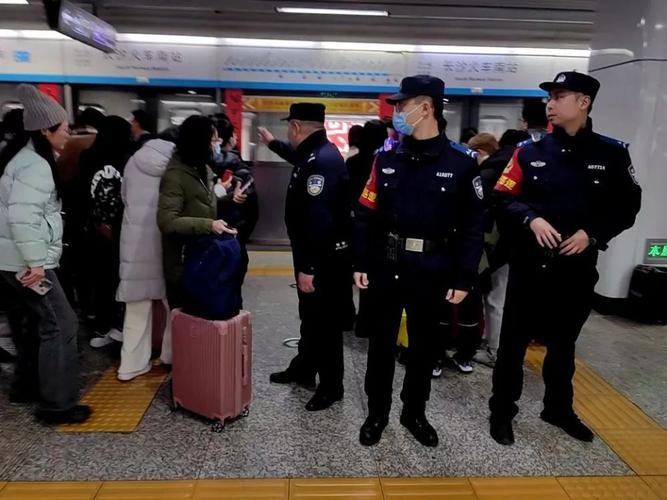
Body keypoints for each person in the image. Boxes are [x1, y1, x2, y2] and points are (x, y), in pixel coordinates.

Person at [489, 72, 642, 446]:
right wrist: (530, 218)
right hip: (529, 266)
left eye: (559, 96)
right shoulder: (528, 152)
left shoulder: (612, 153)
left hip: (575, 270)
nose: (550, 104)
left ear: (584, 102)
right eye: (549, 98)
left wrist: (593, 234)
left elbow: (627, 207)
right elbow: (501, 197)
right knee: (512, 344)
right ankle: (502, 411)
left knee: (563, 345)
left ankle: (557, 409)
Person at [354, 75, 484, 447]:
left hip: (433, 269)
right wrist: (361, 261)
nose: (396, 112)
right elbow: (364, 214)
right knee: (380, 346)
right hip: (386, 265)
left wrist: (464, 278)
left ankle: (414, 413)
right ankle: (376, 414)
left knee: (424, 348)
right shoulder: (386, 159)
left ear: (426, 108)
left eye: (401, 105)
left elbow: (473, 226)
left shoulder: (461, 163)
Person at [0, 84, 90, 424]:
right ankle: (57, 405)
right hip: (27, 263)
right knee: (62, 324)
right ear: (45, 130)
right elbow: (22, 218)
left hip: (15, 259)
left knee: (34, 323)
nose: (68, 134)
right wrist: (36, 264)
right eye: (64, 129)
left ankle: (30, 386)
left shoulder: (22, 158)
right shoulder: (35, 166)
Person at [257, 103, 351, 412]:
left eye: (289, 127)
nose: (288, 132)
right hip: (313, 253)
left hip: (322, 258)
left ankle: (332, 386)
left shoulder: (322, 160)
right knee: (310, 316)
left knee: (325, 322)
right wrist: (272, 143)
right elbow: (295, 155)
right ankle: (305, 367)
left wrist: (310, 267)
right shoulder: (314, 153)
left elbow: (320, 219)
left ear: (296, 126)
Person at [157, 115, 236, 310]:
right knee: (187, 319)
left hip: (202, 258)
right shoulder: (175, 175)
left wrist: (225, 196)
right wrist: (209, 225)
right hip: (184, 264)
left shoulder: (203, 169)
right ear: (199, 141)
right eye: (213, 140)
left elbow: (199, 202)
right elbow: (167, 220)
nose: (216, 145)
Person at [116, 137, 175, 381]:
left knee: (136, 305)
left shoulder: (133, 162)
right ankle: (170, 355)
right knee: (173, 304)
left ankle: (130, 365)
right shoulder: (174, 165)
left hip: (134, 242)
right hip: (163, 240)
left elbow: (124, 196)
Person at [79, 116, 133, 348]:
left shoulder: (87, 157)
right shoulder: (128, 160)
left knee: (99, 279)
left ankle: (100, 325)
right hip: (122, 231)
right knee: (115, 278)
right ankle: (116, 326)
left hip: (94, 231)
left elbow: (82, 194)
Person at [347, 120, 388, 338]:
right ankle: (375, 322)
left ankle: (361, 322)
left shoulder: (353, 162)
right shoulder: (386, 161)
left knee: (360, 272)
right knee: (378, 276)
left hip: (357, 223)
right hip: (380, 225)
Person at [211, 114, 259, 288]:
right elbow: (251, 210)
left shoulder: (198, 166)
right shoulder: (240, 169)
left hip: (206, 235)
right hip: (232, 235)